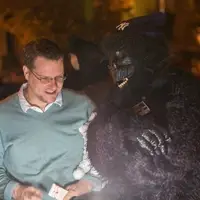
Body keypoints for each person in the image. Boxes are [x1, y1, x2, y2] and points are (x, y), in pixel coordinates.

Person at [0, 38, 102, 200]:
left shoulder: (83, 106)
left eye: (59, 77)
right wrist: (17, 191)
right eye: (45, 79)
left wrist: (87, 183)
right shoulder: (2, 116)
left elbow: (107, 157)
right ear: (26, 72)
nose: (54, 86)